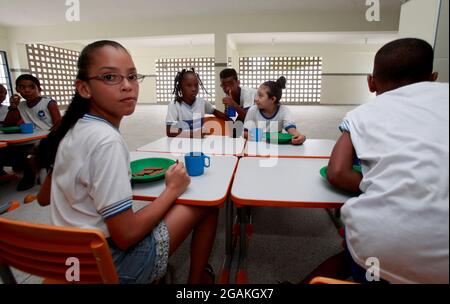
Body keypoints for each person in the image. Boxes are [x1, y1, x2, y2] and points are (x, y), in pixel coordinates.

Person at [36, 40, 219, 284]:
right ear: (84, 88)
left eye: (132, 76)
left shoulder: (72, 129)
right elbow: (126, 236)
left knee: (148, 208)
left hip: (72, 259)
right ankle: (195, 283)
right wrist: (173, 189)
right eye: (110, 77)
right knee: (206, 204)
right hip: (110, 265)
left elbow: (44, 197)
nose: (127, 86)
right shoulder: (107, 141)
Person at [305, 38, 449, 284]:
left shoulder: (361, 114)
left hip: (381, 252)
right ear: (433, 77)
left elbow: (337, 172)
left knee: (360, 256)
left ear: (371, 82)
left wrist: (382, 180)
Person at [166, 68, 230, 138]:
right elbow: (169, 131)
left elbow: (215, 112)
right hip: (182, 145)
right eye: (189, 85)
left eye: (196, 85)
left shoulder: (202, 102)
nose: (193, 89)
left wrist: (229, 119)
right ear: (180, 87)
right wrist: (193, 134)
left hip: (200, 144)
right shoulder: (174, 105)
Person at [243, 76, 306, 145]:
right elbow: (245, 133)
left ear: (273, 99)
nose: (256, 99)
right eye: (257, 95)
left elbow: (292, 130)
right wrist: (265, 137)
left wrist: (300, 137)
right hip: (257, 147)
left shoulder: (284, 111)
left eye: (260, 96)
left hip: (276, 147)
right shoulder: (253, 110)